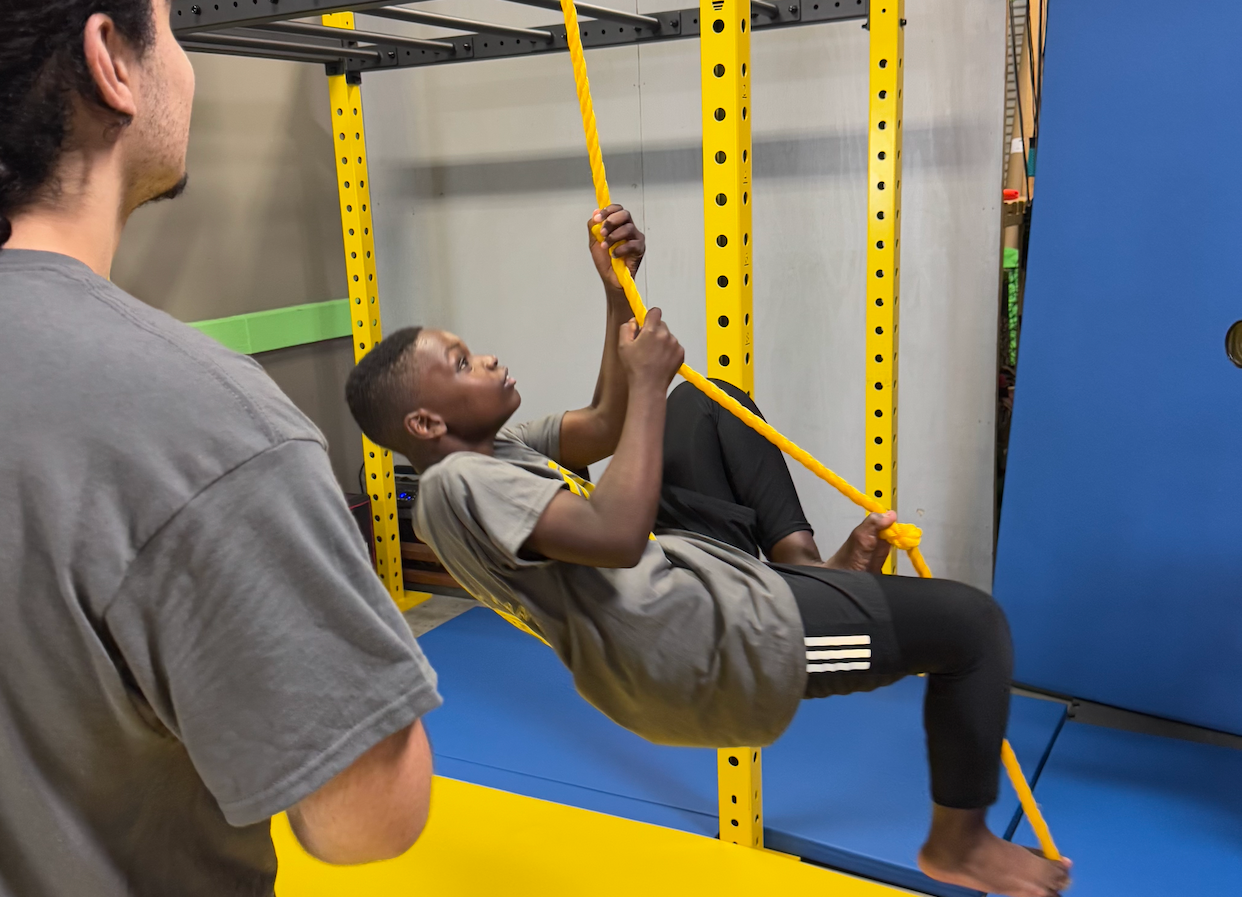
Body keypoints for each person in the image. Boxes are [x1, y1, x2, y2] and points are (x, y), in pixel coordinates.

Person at [345, 205, 1073, 897]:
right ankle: (957, 841)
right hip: (700, 648)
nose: (488, 357)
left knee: (708, 403)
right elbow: (614, 535)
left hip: (681, 586)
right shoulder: (456, 485)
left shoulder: (493, 449)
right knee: (972, 627)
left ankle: (812, 576)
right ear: (425, 422)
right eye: (462, 362)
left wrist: (616, 290)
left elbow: (604, 424)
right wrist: (647, 380)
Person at [0, 3, 439, 894]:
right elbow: (367, 816)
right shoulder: (205, 422)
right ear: (110, 60)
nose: (188, 65)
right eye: (173, 26)